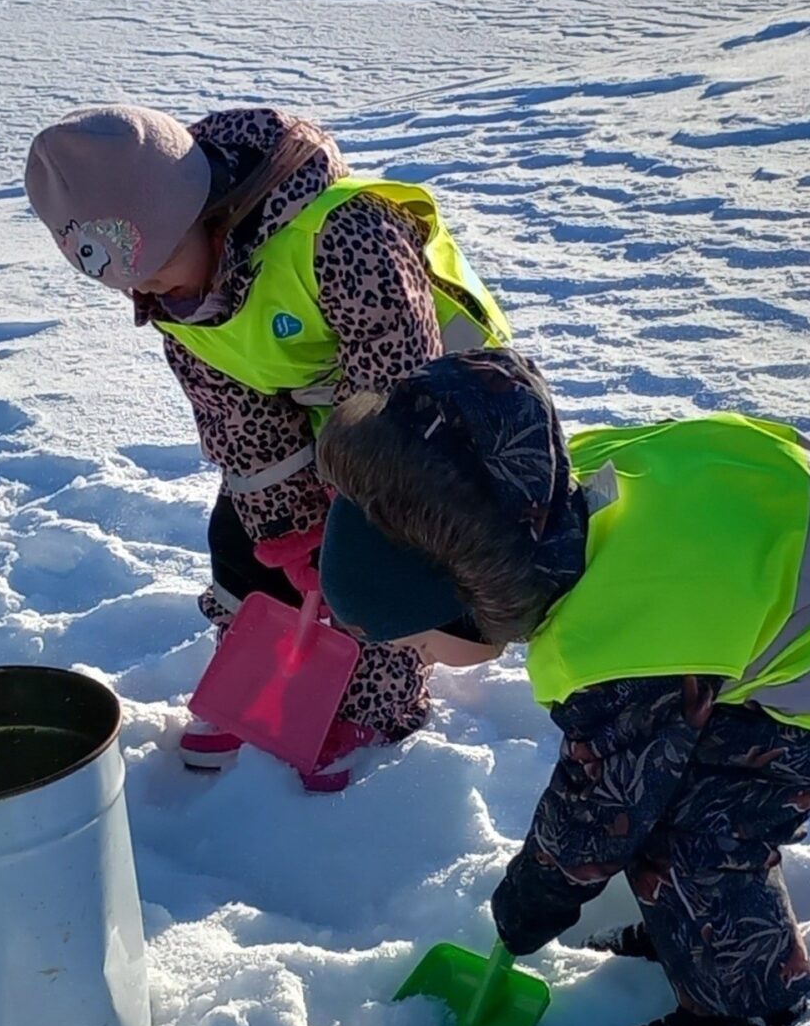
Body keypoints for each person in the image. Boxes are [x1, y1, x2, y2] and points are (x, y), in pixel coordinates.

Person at [313, 350, 810, 1026]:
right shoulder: (537, 499)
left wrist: (533, 899)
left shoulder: (613, 642)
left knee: (698, 833)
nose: (422, 657)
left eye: (420, 641)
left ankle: (743, 1008)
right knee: (668, 782)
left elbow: (601, 809)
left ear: (471, 595)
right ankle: (688, 929)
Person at [25, 103, 513, 790]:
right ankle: (263, 684)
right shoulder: (179, 302)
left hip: (444, 412)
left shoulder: (341, 232)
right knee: (241, 535)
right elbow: (243, 428)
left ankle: (379, 705)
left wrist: (351, 510)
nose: (157, 295)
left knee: (375, 555)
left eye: (163, 271)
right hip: (325, 409)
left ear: (204, 214)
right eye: (136, 285)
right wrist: (290, 530)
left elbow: (397, 378)